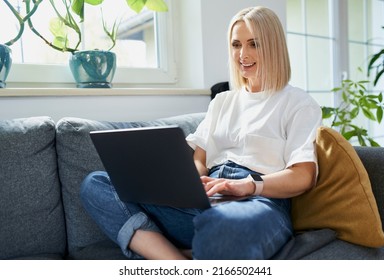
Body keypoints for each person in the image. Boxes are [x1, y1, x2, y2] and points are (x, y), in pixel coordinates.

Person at [80, 6, 322, 260]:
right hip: (207, 198)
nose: (242, 54)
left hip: (259, 203)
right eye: (236, 45)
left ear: (274, 46)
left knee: (222, 226)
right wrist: (188, 183)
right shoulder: (222, 102)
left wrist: (247, 185)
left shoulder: (297, 103)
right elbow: (200, 158)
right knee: (95, 184)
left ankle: (186, 250)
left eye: (254, 44)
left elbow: (303, 176)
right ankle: (178, 261)